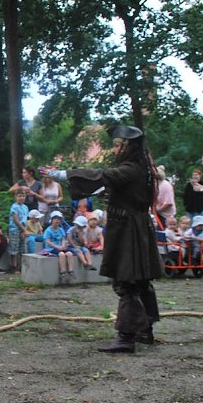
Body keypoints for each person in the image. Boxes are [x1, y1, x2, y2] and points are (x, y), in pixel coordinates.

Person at [44, 124, 163, 353]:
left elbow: (104, 175)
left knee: (127, 281)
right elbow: (106, 183)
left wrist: (64, 174)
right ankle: (144, 330)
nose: (115, 150)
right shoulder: (142, 167)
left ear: (128, 147)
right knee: (140, 281)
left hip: (129, 228)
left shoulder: (131, 169)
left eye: (118, 145)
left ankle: (126, 337)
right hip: (134, 226)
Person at [42, 210, 76, 283]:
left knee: (69, 253)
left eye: (59, 219)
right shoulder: (48, 230)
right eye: (55, 219)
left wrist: (63, 245)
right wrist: (57, 247)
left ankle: (71, 271)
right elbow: (48, 241)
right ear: (52, 220)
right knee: (61, 254)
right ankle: (62, 272)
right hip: (51, 248)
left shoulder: (61, 229)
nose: (57, 220)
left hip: (60, 247)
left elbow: (63, 239)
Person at [8, 190, 29, 273]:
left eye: (23, 196)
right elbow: (16, 220)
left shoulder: (25, 207)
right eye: (19, 196)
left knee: (22, 248)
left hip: (22, 229)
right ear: (16, 197)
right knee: (14, 247)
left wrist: (24, 231)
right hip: (15, 229)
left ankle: (21, 266)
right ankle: (14, 266)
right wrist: (24, 229)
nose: (21, 198)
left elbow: (26, 220)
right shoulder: (14, 207)